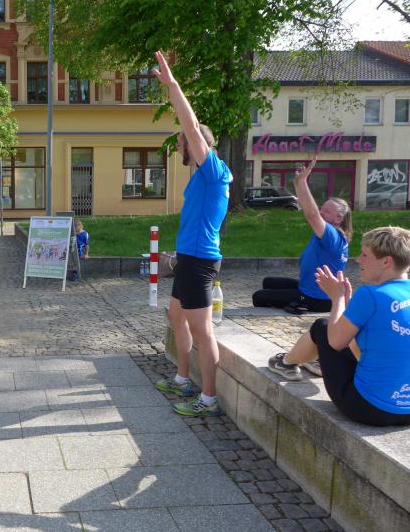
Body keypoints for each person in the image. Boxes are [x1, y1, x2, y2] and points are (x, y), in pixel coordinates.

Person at [151, 50, 233, 418]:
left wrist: (173, 87)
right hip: (190, 256)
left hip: (200, 261)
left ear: (195, 145)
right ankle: (183, 379)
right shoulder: (203, 177)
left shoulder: (212, 170)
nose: (179, 146)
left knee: (203, 331)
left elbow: (191, 122)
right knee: (176, 316)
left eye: (182, 141)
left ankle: (209, 399)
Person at [268, 226, 410, 427]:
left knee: (322, 326)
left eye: (365, 255)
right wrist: (349, 307)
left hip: (369, 408)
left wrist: (337, 299)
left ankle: (286, 362)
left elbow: (334, 342)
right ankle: (309, 361)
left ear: (386, 261)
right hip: (407, 412)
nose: (358, 260)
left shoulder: (370, 294)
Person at [252, 155, 352, 315]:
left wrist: (303, 182)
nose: (321, 212)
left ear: (339, 219)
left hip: (317, 298)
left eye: (326, 211)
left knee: (258, 297)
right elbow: (310, 210)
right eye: (321, 208)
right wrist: (297, 183)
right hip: (308, 287)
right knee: (268, 282)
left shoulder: (333, 237)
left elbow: (312, 215)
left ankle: (298, 303)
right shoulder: (327, 234)